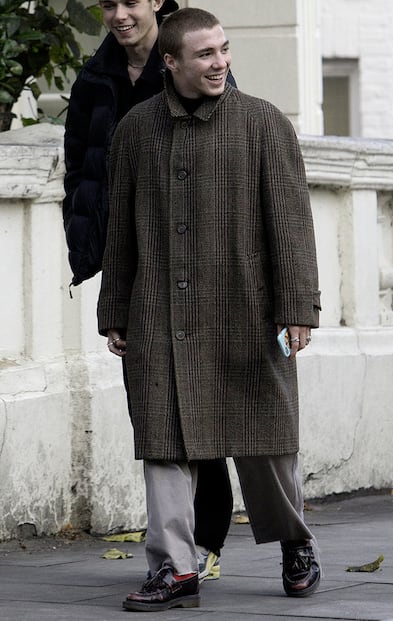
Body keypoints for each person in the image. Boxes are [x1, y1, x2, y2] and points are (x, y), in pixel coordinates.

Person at [97, 6, 322, 613]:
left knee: (268, 441)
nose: (220, 61)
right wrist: (114, 307)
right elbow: (119, 230)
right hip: (157, 313)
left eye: (223, 49)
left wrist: (297, 307)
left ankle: (295, 543)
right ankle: (175, 570)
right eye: (205, 54)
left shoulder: (263, 124)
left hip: (247, 310)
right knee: (164, 442)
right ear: (170, 62)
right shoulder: (136, 130)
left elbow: (293, 227)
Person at [62, 0, 234, 581]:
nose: (117, 14)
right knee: (159, 403)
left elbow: (227, 152)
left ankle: (208, 539)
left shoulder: (196, 56)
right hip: (132, 259)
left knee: (199, 402)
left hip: (195, 256)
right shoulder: (95, 76)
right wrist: (87, 241)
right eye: (107, 3)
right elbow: (79, 166)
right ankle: (179, 549)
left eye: (128, 1)